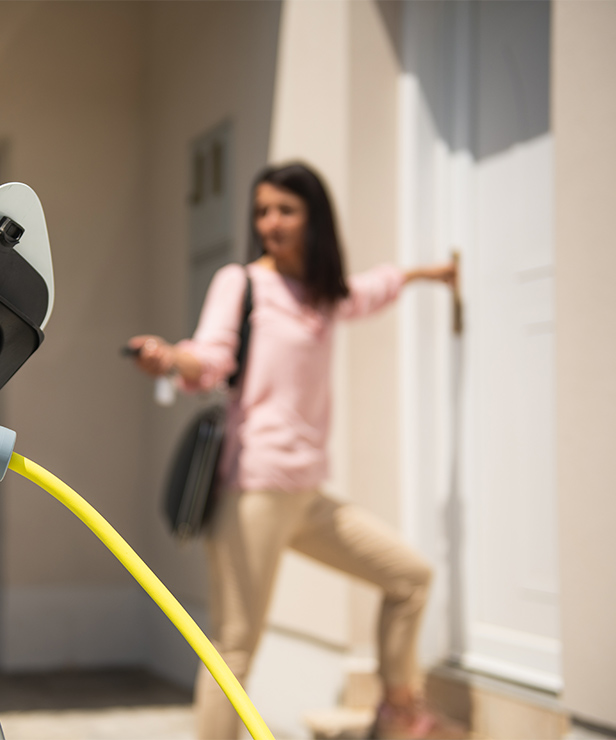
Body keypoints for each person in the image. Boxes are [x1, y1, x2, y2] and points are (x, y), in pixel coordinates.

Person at [127, 162, 464, 740]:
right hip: (254, 490)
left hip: (305, 495)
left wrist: (433, 274)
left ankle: (397, 713)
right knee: (234, 649)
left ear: (314, 219)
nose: (270, 223)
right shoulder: (244, 283)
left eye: (285, 210)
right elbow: (211, 358)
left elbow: (374, 287)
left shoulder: (324, 295)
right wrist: (170, 358)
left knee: (409, 578)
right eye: (262, 211)